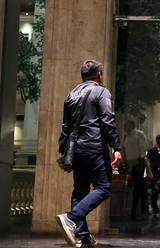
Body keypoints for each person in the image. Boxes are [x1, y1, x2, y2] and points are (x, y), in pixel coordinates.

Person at [56, 60, 122, 248]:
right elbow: (108, 120)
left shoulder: (71, 94)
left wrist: (64, 153)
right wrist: (116, 147)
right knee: (104, 187)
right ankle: (71, 217)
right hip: (94, 148)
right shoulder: (101, 92)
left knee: (80, 191)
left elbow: (65, 127)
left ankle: (83, 236)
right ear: (99, 74)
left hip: (76, 151)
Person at [122, 119, 149, 220]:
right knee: (132, 188)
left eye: (126, 125)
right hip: (130, 164)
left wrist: (140, 161)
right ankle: (133, 211)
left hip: (138, 163)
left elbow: (144, 147)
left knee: (139, 188)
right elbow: (124, 149)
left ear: (131, 125)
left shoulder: (139, 134)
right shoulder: (126, 136)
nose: (125, 128)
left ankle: (139, 211)